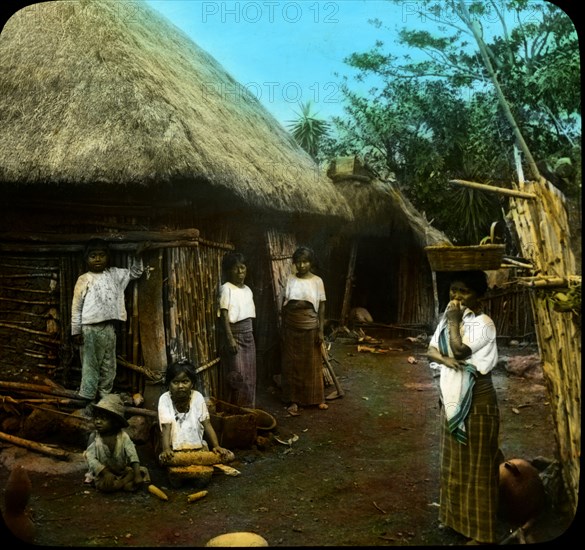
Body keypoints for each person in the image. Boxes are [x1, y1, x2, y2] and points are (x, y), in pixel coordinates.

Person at [426, 270, 501, 544]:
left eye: (464, 291)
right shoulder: (448, 322)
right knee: (454, 463)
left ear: (478, 295)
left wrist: (454, 322)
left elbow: (458, 351)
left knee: (478, 467)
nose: (456, 297)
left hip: (478, 401)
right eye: (453, 291)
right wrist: (446, 362)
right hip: (452, 399)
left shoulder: (484, 324)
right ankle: (456, 521)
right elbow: (432, 350)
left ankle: (481, 533)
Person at [71, 239, 146, 404]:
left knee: (109, 364)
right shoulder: (84, 279)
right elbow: (76, 307)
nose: (97, 259)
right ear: (86, 259)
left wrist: (138, 255)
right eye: (93, 256)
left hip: (109, 327)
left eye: (101, 255)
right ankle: (87, 396)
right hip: (89, 328)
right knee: (90, 364)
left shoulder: (115, 274)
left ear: (108, 257)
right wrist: (76, 331)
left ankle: (105, 396)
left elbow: (136, 272)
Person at [157, 361, 235, 487]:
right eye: (175, 382)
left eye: (185, 382)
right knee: (176, 483)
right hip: (175, 451)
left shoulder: (197, 397)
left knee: (202, 481)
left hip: (198, 449)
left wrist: (216, 445)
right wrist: (166, 449)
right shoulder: (164, 399)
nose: (181, 386)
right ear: (169, 385)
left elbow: (207, 423)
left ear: (192, 383)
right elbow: (166, 427)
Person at [280, 246, 328, 416]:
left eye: (305, 262)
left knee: (311, 363)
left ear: (311, 263)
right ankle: (293, 400)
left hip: (310, 326)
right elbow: (285, 304)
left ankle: (314, 398)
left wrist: (320, 330)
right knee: (292, 364)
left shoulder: (317, 281)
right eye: (298, 262)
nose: (301, 265)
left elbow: (321, 307)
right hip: (291, 325)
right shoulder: (290, 279)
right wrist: (284, 326)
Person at [84, 393, 149, 493]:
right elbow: (90, 458)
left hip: (121, 471)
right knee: (105, 486)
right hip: (102, 472)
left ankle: (123, 482)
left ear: (115, 423)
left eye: (103, 419)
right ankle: (123, 484)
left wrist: (136, 474)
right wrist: (105, 472)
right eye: (97, 418)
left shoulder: (123, 436)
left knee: (135, 472)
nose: (98, 422)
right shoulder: (95, 437)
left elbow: (132, 454)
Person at [218, 252, 257, 408]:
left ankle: (249, 409)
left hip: (249, 334)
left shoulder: (248, 290)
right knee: (237, 375)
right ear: (229, 270)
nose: (240, 272)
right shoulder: (226, 288)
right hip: (235, 335)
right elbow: (224, 315)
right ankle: (236, 409)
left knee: (250, 375)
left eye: (243, 268)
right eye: (236, 269)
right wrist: (230, 339)